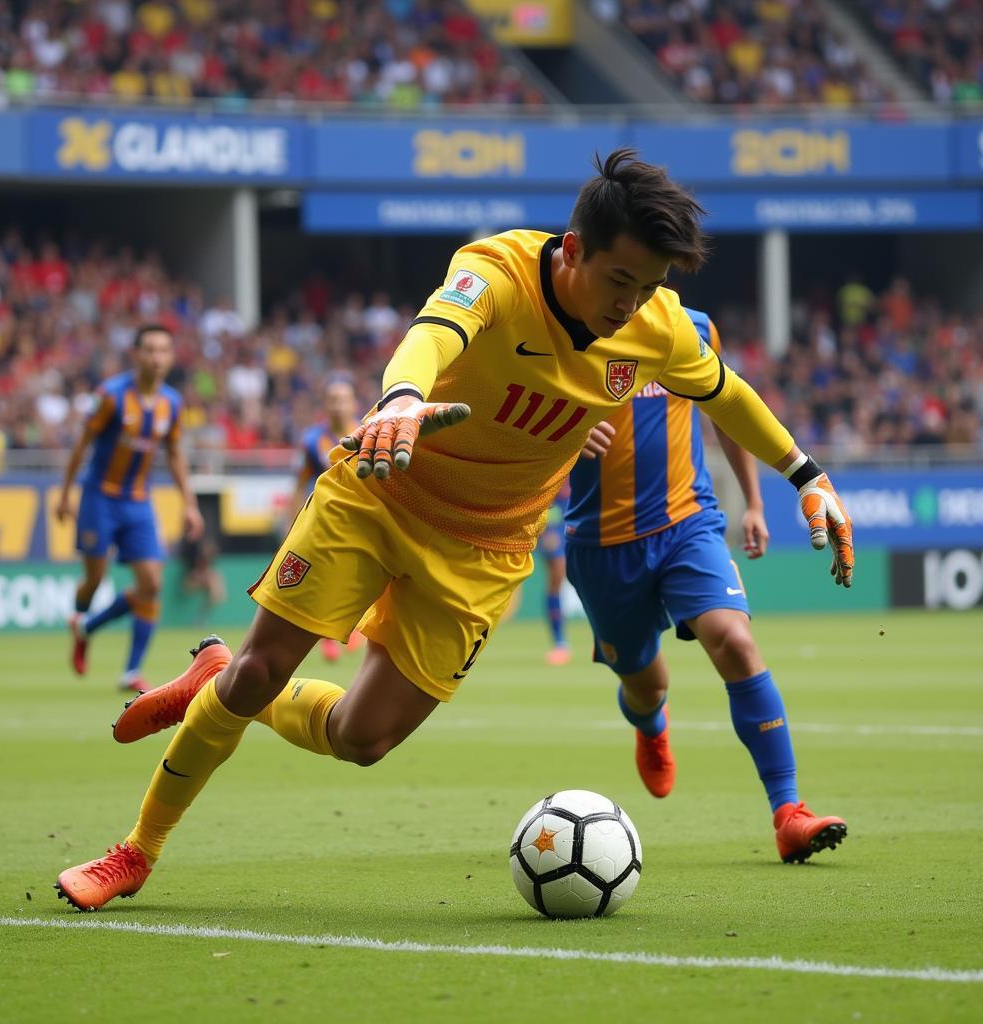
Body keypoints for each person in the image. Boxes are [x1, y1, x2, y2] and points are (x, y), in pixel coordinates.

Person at [54, 150, 853, 910]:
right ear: (573, 249)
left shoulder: (657, 326)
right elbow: (434, 335)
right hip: (384, 491)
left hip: (486, 550)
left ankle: (214, 680)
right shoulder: (497, 271)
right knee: (266, 669)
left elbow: (728, 393)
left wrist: (807, 477)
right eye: (619, 281)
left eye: (647, 288)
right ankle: (135, 851)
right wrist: (402, 396)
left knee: (362, 738)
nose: (630, 305)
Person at [567, 308, 847, 863]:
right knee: (645, 684)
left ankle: (788, 812)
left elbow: (726, 406)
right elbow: (513, 420)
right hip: (602, 545)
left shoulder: (693, 327)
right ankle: (651, 723)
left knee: (737, 643)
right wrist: (563, 434)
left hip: (687, 523)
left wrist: (755, 502)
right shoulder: (566, 327)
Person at [55, 325, 204, 692]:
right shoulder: (111, 396)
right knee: (94, 578)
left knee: (151, 582)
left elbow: (173, 454)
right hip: (99, 498)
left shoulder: (171, 402)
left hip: (138, 500)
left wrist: (190, 503)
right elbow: (82, 444)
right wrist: (64, 493)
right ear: (136, 354)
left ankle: (130, 670)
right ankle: (83, 621)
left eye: (164, 350)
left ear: (171, 357)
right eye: (149, 350)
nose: (156, 357)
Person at [287, 374, 362, 662]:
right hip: (324, 519)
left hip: (361, 518)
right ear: (325, 405)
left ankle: (354, 628)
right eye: (333, 400)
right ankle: (329, 635)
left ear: (354, 403)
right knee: (322, 578)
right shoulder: (311, 440)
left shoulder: (368, 431)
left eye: (343, 400)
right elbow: (298, 485)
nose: (338, 405)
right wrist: (291, 524)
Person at [539, 481, 572, 665]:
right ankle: (559, 643)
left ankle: (603, 639)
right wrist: (548, 529)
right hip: (550, 510)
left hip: (573, 508)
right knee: (557, 573)